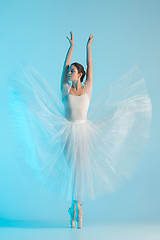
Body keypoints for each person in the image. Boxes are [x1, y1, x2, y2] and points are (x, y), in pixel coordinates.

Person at [7, 32, 152, 229]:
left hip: (84, 133)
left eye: (73, 71)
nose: (69, 72)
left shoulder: (88, 88)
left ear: (80, 74)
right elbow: (63, 66)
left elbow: (90, 67)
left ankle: (76, 207)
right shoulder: (65, 89)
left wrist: (88, 47)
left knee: (80, 171)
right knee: (72, 171)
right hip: (67, 133)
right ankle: (76, 206)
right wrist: (71, 47)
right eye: (70, 71)